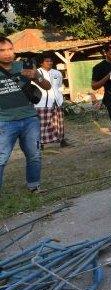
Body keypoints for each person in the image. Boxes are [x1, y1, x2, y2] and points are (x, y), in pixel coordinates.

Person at [0, 37, 50, 192]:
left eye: (10, 49)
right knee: (1, 158)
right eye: (2, 51)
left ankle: (34, 186)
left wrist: (36, 76)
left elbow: (47, 86)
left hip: (29, 118)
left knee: (34, 155)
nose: (7, 54)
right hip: (4, 121)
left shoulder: (23, 65)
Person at [34, 55, 69, 147]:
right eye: (47, 61)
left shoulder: (57, 73)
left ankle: (61, 140)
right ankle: (40, 143)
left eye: (51, 61)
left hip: (57, 100)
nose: (49, 63)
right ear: (41, 63)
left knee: (58, 122)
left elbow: (59, 85)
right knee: (42, 123)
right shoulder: (36, 73)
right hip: (42, 101)